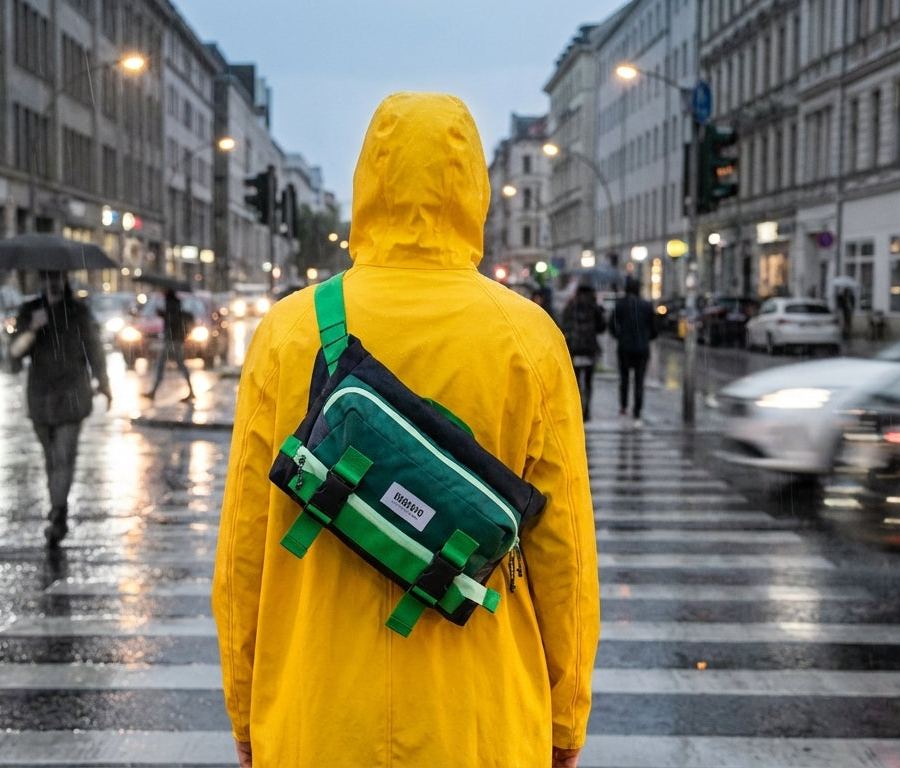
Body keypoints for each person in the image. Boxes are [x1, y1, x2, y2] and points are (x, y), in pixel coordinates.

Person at [213, 92, 600, 768]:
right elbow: (564, 554)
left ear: (369, 182)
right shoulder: (527, 337)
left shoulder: (288, 330)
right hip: (479, 720)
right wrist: (566, 718)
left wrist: (246, 708)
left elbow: (247, 545)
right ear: (473, 189)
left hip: (319, 713)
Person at [10, 271, 112, 547]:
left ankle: (58, 512)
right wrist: (33, 328)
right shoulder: (30, 311)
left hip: (72, 394)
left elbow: (94, 349)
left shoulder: (78, 312)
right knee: (50, 459)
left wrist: (103, 382)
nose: (52, 284)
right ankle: (58, 508)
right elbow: (13, 354)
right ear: (40, 283)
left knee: (64, 456)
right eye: (46, 278)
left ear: (64, 281)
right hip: (40, 396)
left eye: (56, 278)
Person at [609, 276, 656, 426]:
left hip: (625, 347)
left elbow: (611, 324)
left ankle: (623, 407)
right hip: (642, 348)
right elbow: (655, 329)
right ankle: (637, 410)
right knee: (639, 380)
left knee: (624, 379)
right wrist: (646, 337)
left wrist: (619, 336)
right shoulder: (647, 306)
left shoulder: (620, 305)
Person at [558, 281, 606, 422]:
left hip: (575, 348)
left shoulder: (571, 306)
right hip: (589, 349)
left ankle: (577, 409)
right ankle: (587, 411)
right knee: (588, 382)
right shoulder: (594, 308)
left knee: (575, 381)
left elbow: (563, 324)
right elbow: (601, 328)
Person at [145, 287, 196, 402]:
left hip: (173, 339)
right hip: (175, 339)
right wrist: (163, 314)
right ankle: (191, 390)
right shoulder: (173, 302)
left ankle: (154, 391)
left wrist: (163, 314)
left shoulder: (172, 303)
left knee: (162, 364)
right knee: (177, 364)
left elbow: (173, 320)